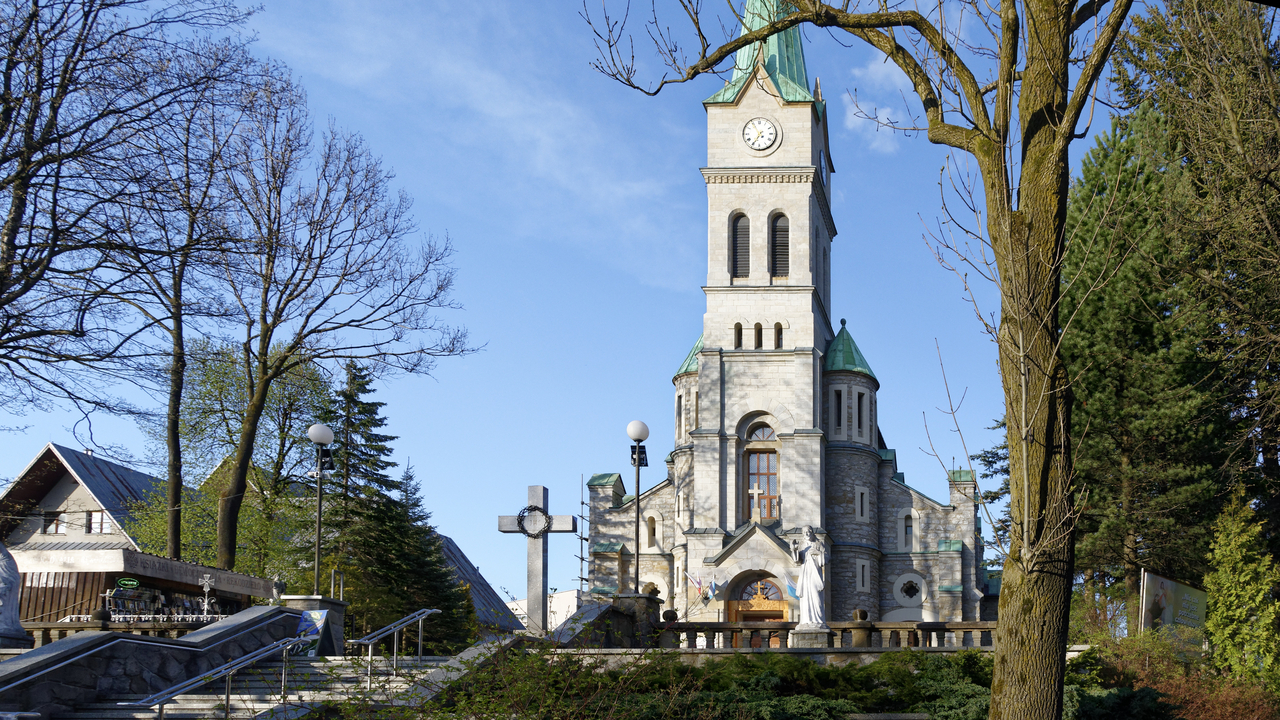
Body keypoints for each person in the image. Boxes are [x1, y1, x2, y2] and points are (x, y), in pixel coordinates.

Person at [793, 526, 827, 627]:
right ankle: (806, 620)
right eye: (804, 532)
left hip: (815, 574)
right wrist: (794, 549)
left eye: (808, 531)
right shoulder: (802, 545)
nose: (807, 533)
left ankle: (818, 620)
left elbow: (826, 558)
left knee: (816, 596)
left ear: (812, 533)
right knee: (806, 597)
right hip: (805, 574)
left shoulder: (818, 544)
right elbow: (797, 560)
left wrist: (818, 553)